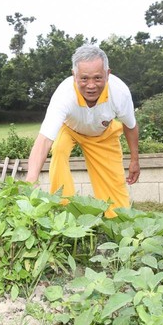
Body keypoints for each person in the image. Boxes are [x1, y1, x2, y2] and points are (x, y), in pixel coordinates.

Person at [25, 45, 140, 217]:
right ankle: (63, 210)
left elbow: (130, 126)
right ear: (74, 75)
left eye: (98, 78)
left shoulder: (119, 92)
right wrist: (31, 179)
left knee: (116, 190)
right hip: (70, 129)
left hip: (102, 135)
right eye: (84, 78)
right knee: (59, 150)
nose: (91, 85)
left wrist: (134, 160)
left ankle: (117, 224)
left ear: (108, 74)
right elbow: (44, 140)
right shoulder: (64, 95)